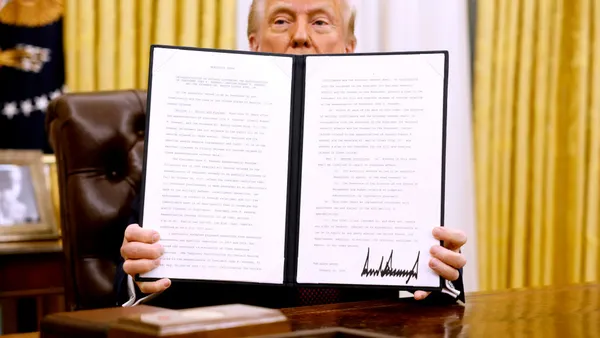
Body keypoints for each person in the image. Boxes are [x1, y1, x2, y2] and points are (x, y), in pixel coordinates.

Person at [115, 0, 468, 309]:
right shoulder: (194, 136)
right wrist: (141, 274)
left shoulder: (398, 144)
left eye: (320, 22)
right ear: (254, 44)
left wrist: (441, 275)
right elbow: (130, 282)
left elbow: (433, 291)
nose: (300, 36)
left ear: (349, 46)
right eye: (281, 21)